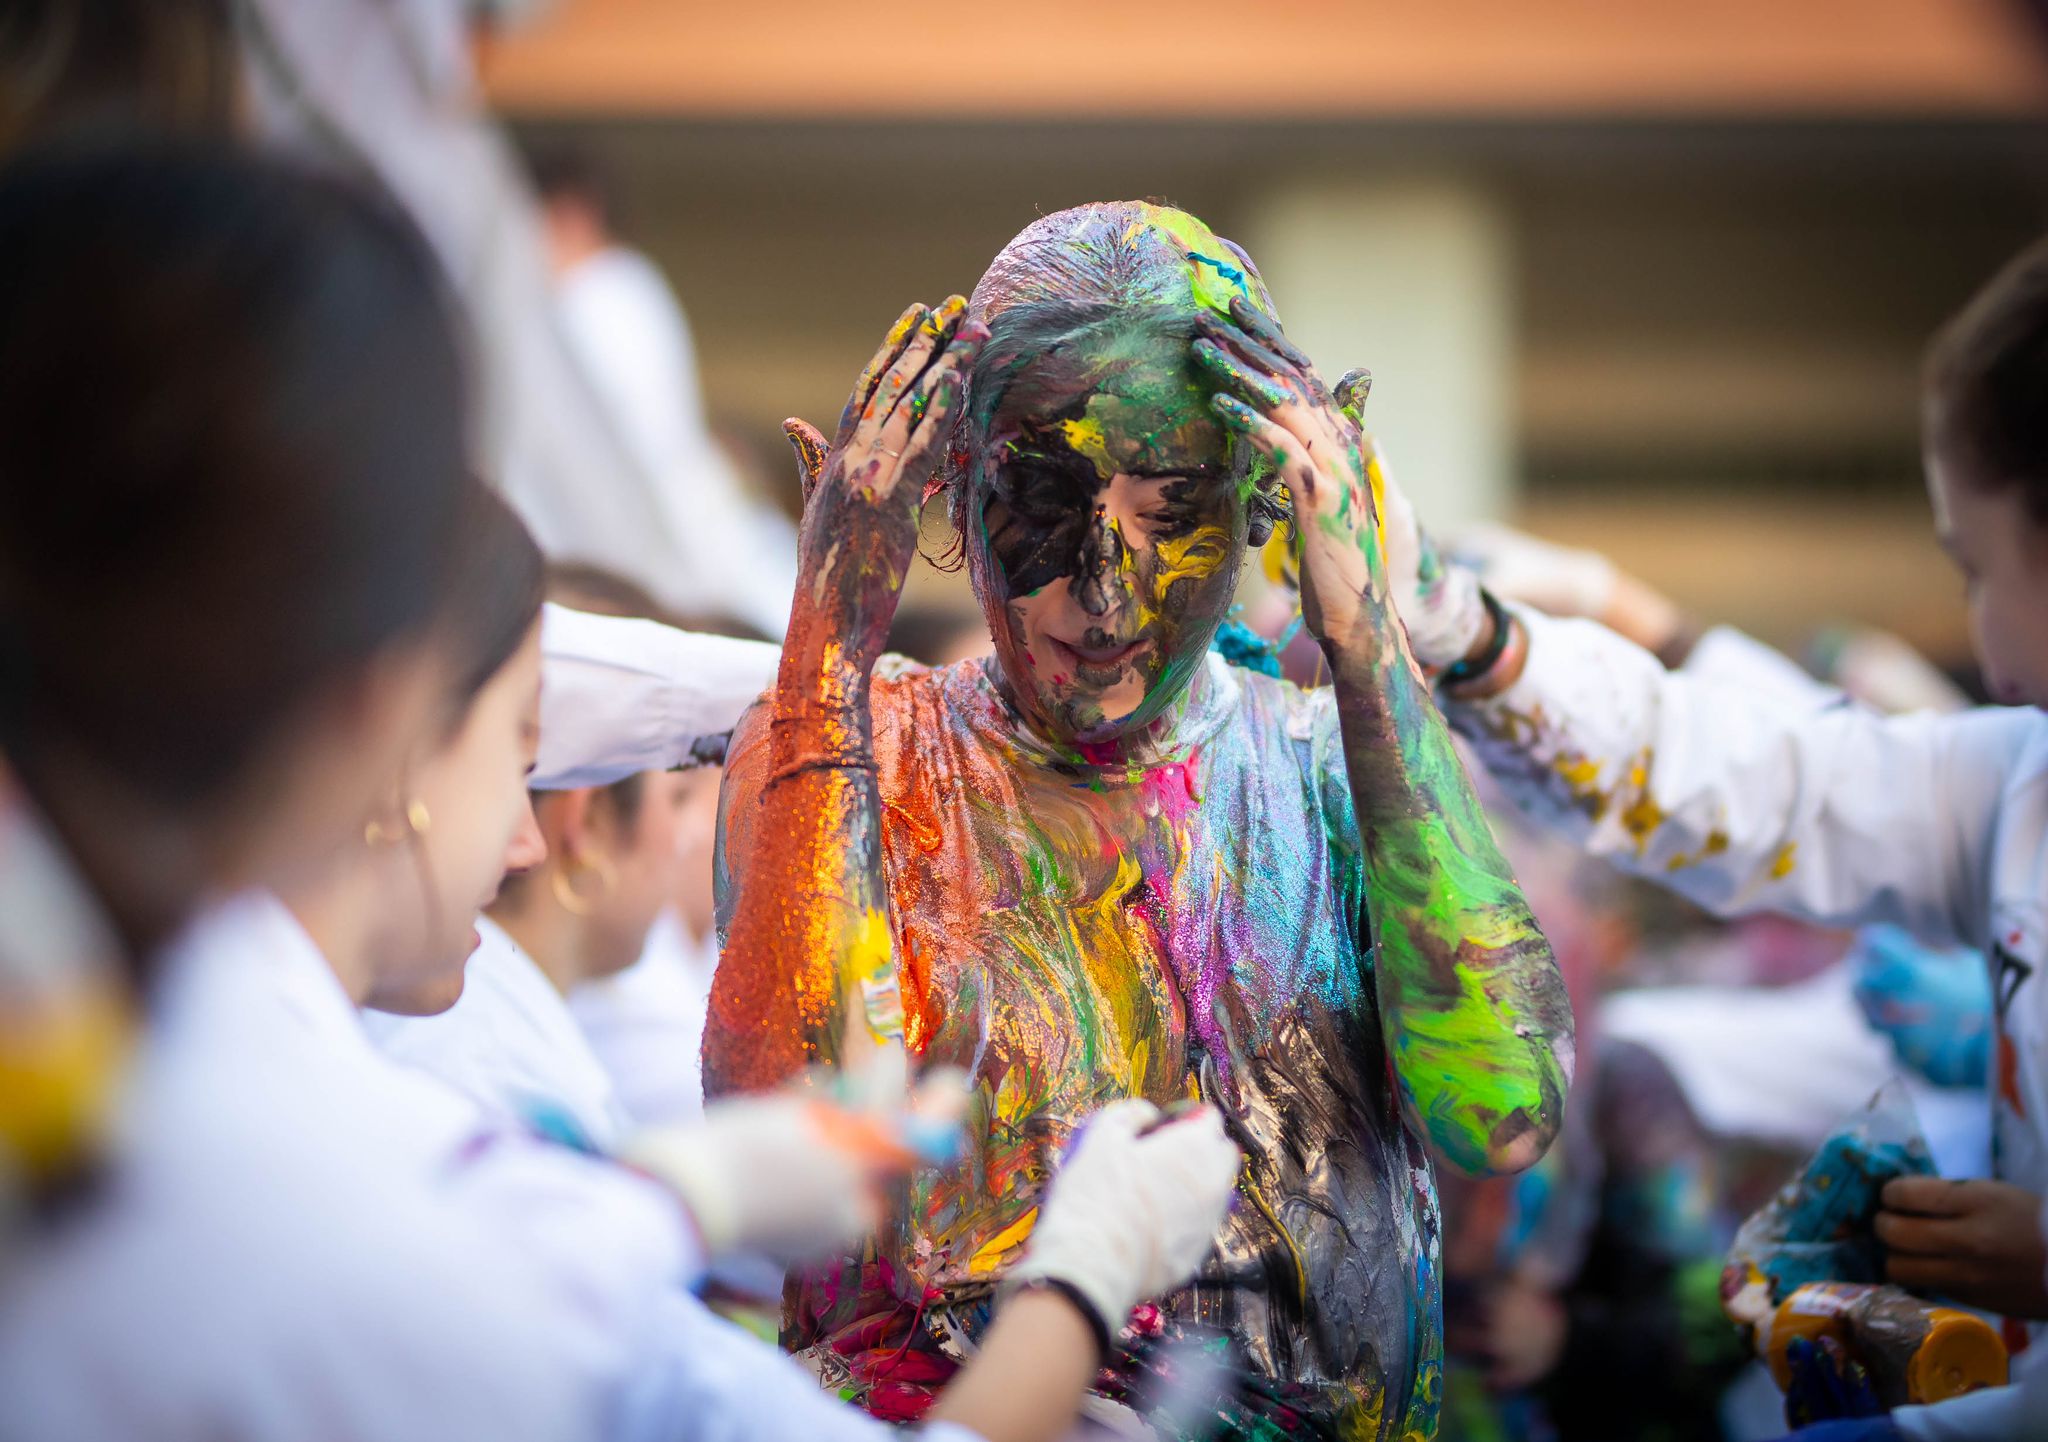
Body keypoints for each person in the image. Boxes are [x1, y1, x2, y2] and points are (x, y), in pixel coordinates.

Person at [0, 143, 1244, 1442]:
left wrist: (680, 1194)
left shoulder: (171, 1038)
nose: (1108, 588)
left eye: (1176, 507)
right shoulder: (268, 1166)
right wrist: (1082, 1284)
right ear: (382, 709)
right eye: (526, 743)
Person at [706, 201, 1574, 1437]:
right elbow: (784, 1160)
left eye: (1174, 510)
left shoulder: (1333, 765)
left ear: (1267, 498)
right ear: (951, 484)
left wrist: (1366, 642)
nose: (1106, 593)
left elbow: (1502, 1110)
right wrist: (827, 647)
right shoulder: (853, 752)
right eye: (1045, 501)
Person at [1371, 236, 2048, 1441]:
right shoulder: (2013, 783)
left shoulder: (1628, 1084)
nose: (1984, 653)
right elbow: (1762, 779)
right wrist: (1480, 638)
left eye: (1976, 569)